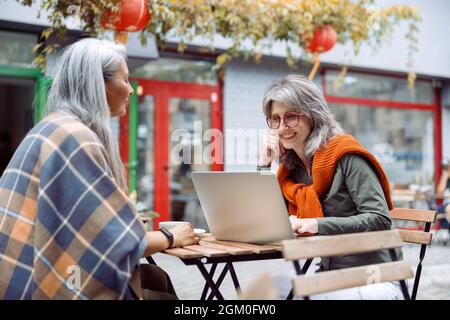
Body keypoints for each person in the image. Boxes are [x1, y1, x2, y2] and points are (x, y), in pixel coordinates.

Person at [0, 38, 198, 300]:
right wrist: (170, 236)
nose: (130, 89)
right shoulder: (77, 138)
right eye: (125, 80)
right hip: (39, 286)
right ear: (98, 84)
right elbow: (115, 242)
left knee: (156, 278)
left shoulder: (52, 127)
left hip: (17, 275)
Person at [258, 75, 404, 300]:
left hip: (375, 277)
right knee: (262, 292)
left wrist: (316, 224)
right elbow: (266, 218)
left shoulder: (347, 155)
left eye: (291, 118)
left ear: (313, 116)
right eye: (275, 119)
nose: (281, 127)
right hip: (329, 274)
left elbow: (380, 219)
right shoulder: (293, 169)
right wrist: (265, 164)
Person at [436, 159, 450, 229]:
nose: (447, 169)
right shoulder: (445, 177)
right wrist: (444, 177)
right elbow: (439, 192)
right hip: (446, 205)